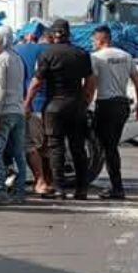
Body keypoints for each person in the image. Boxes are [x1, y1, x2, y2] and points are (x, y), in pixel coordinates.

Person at [24, 20, 95, 200]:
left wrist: (27, 102)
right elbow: (91, 82)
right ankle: (82, 189)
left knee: (56, 147)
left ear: (53, 35)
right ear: (68, 34)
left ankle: (59, 188)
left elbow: (37, 82)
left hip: (54, 106)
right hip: (76, 105)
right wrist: (86, 100)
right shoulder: (81, 54)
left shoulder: (47, 54)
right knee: (78, 147)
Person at [90, 25, 138, 201]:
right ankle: (115, 184)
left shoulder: (96, 57)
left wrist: (85, 103)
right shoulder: (125, 56)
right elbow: (137, 81)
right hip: (122, 104)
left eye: (94, 40)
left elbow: (92, 83)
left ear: (100, 40)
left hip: (106, 104)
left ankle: (117, 187)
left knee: (108, 147)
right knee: (111, 145)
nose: (93, 43)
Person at [0, 26, 28, 205]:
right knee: (18, 153)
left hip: (4, 113)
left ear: (3, 40)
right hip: (18, 111)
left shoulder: (1, 61)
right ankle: (20, 191)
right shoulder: (17, 58)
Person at [14, 32, 53, 195]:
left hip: (31, 105)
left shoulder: (18, 50)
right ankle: (49, 181)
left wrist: (26, 102)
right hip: (51, 106)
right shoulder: (53, 51)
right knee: (47, 147)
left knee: (31, 146)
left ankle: (40, 181)